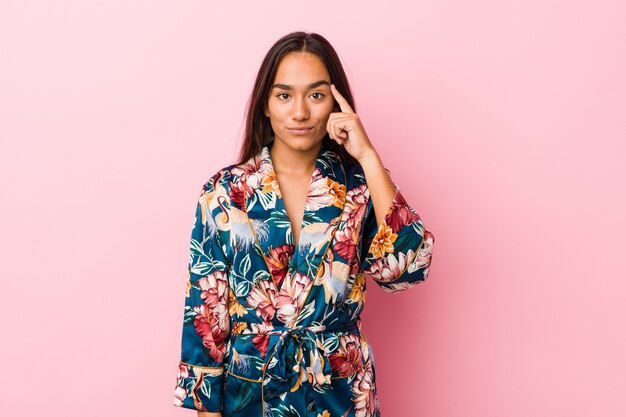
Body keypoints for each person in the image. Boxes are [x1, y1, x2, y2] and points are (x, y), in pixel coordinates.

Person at [172, 31, 435, 417]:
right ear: (265, 103)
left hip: (339, 394)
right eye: (284, 95)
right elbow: (206, 316)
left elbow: (408, 270)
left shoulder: (359, 187)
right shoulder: (224, 191)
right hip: (251, 396)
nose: (299, 112)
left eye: (315, 95)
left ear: (336, 102)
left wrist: (367, 156)